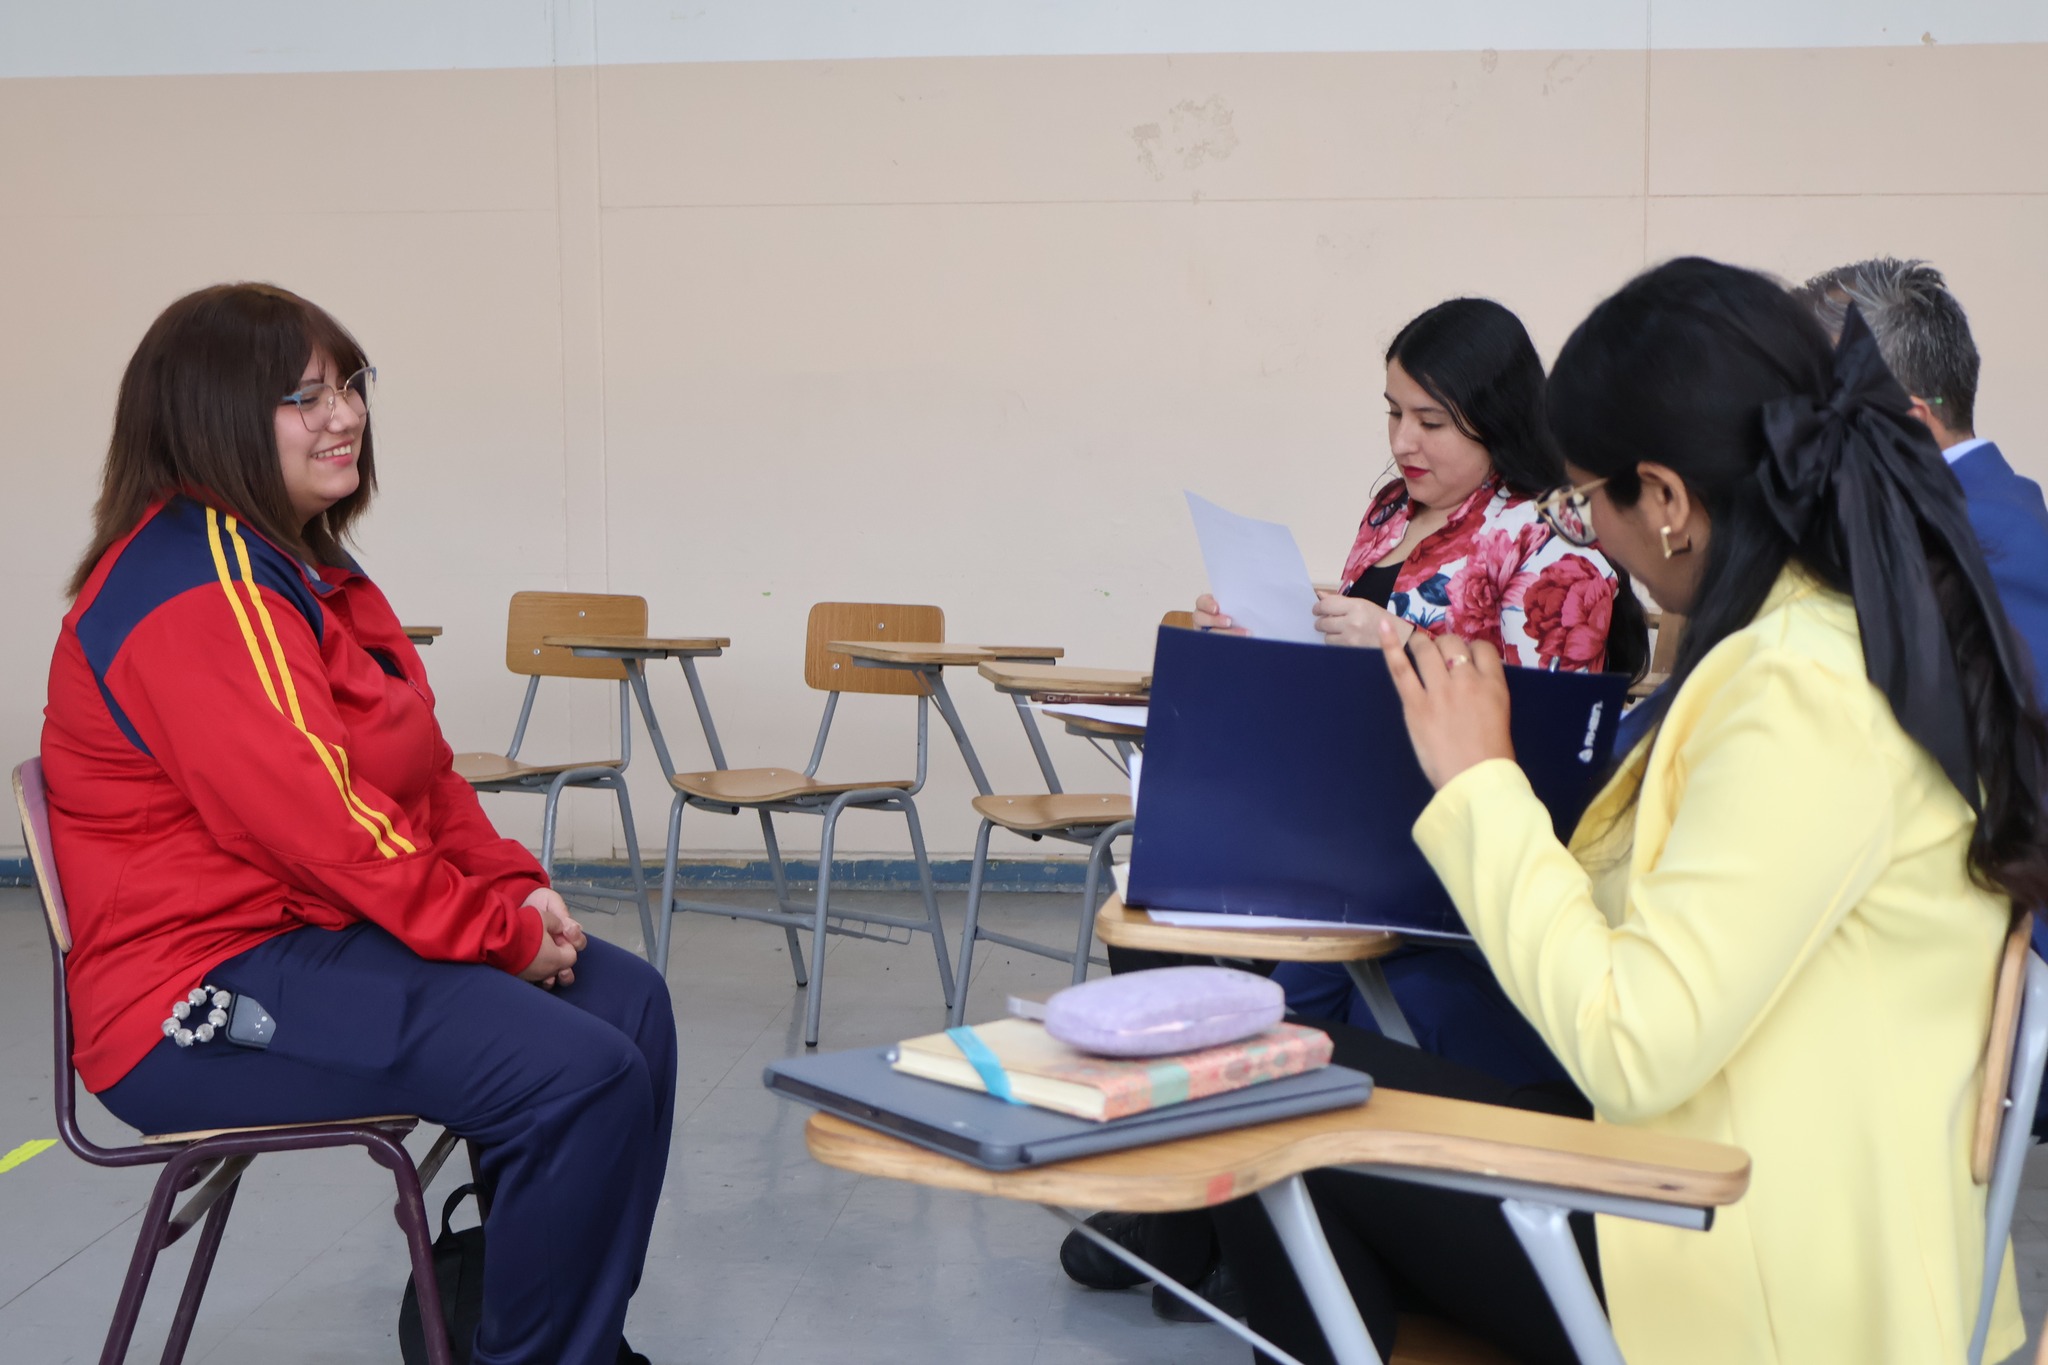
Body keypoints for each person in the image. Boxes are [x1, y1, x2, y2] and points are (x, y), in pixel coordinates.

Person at [1208, 257, 2048, 1364]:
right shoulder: (1827, 631)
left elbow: (1631, 1046)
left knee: (1259, 1103)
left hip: (1739, 1265)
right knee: (1278, 1057)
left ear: (1664, 498)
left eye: (1583, 496)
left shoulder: (1798, 684)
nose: (1585, 529)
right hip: (1742, 1190)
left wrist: (1479, 783)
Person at [41, 283, 677, 1365]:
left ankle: (543, 1339)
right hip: (193, 994)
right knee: (576, 1073)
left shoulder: (309, 569)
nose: (343, 415)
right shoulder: (198, 588)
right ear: (208, 417)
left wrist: (512, 886)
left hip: (304, 938)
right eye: (302, 396)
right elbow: (324, 827)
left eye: (349, 385)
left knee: (628, 1008)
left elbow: (415, 776)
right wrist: (497, 939)